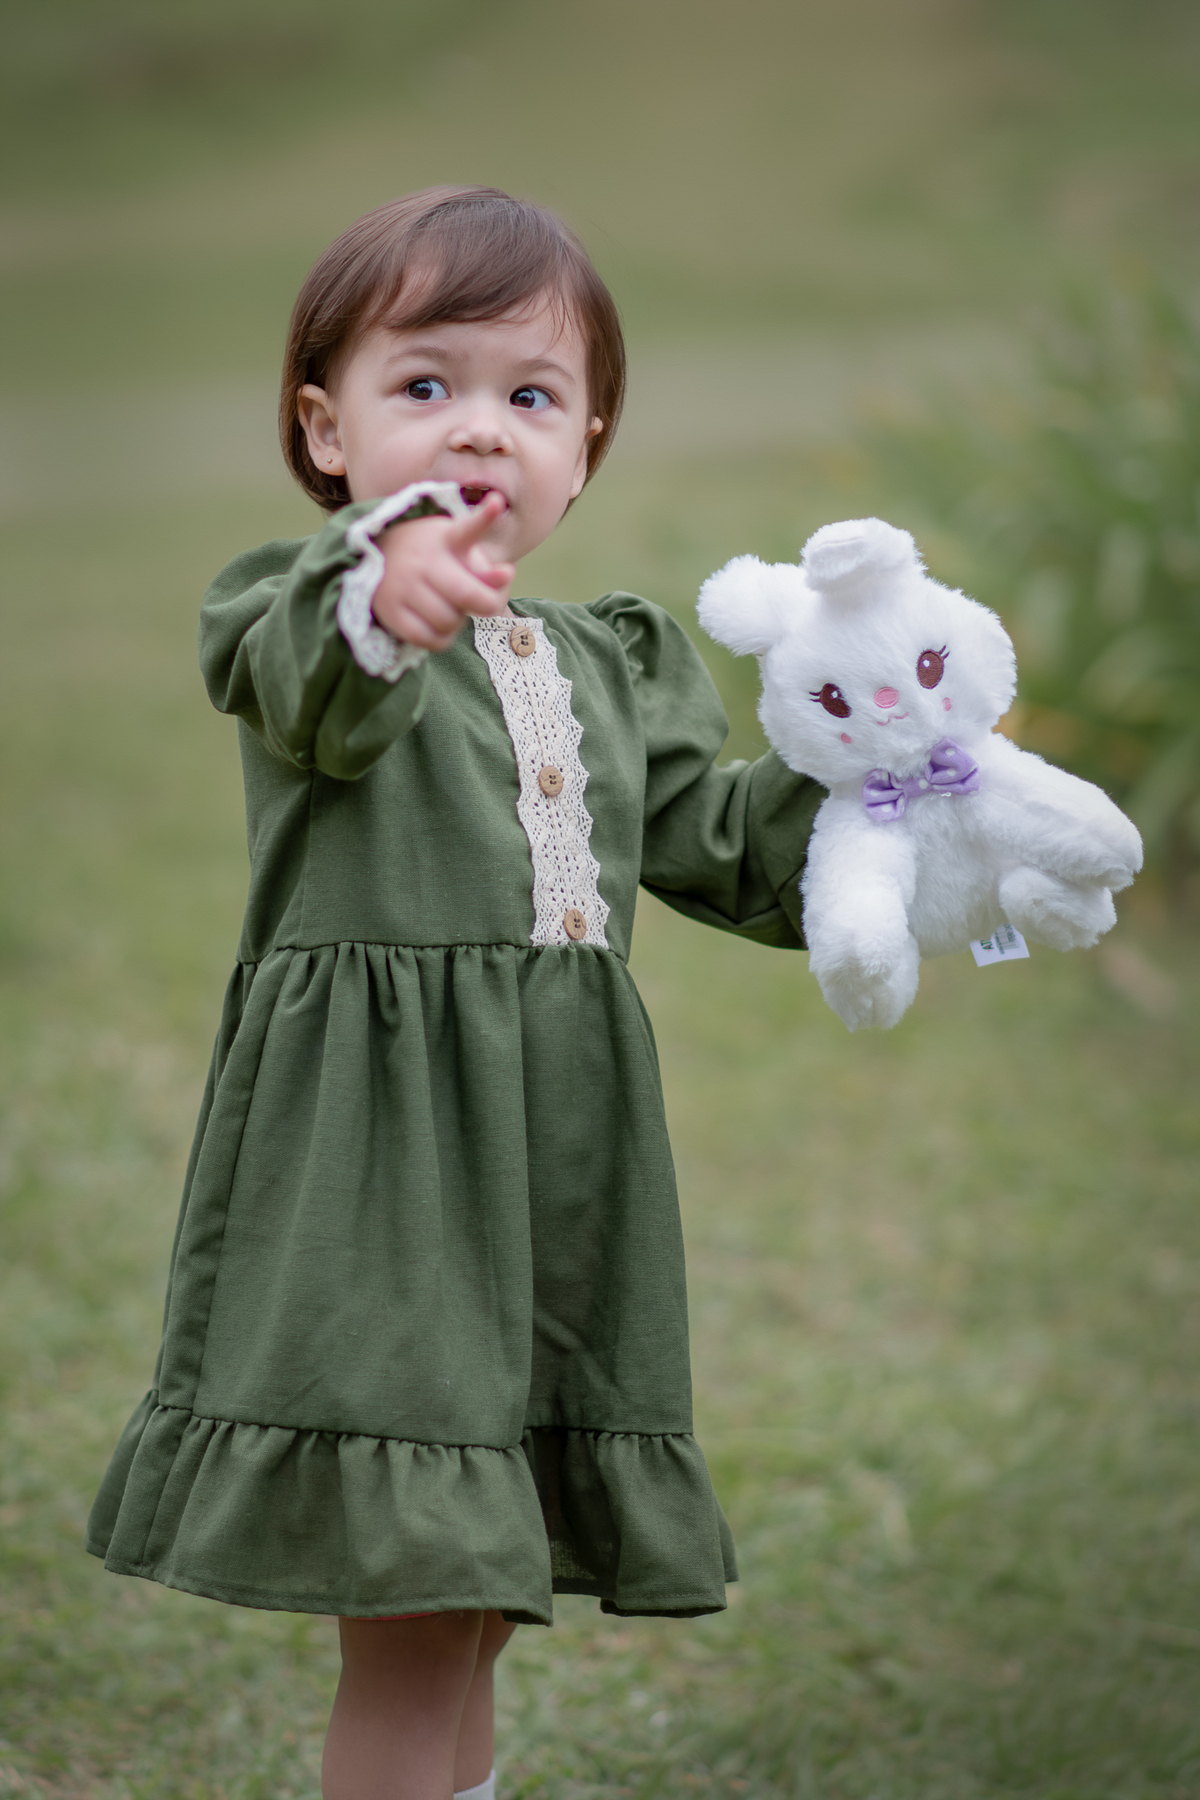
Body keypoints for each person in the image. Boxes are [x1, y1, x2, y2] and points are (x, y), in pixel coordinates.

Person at [87, 186, 820, 1800]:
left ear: (588, 443)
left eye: (529, 396)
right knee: (423, 1600)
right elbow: (323, 692)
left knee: (480, 1600)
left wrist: (876, 774)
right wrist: (383, 595)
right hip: (387, 1174)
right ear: (323, 427)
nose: (480, 429)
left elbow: (717, 846)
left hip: (556, 1166)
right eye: (425, 386)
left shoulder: (612, 659)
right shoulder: (293, 612)